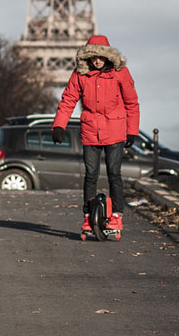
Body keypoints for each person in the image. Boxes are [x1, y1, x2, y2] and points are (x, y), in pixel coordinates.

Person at [51, 35, 140, 235]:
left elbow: (132, 103)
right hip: (91, 130)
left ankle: (117, 216)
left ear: (107, 56)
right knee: (90, 175)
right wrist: (59, 126)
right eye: (93, 57)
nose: (97, 61)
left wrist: (131, 131)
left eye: (100, 57)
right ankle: (88, 216)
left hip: (115, 131)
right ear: (87, 57)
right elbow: (68, 100)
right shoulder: (80, 74)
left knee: (113, 174)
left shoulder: (120, 73)